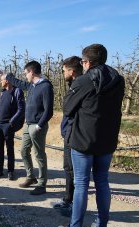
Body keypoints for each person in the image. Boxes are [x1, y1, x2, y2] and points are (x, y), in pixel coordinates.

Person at [57, 44, 125, 227]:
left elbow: (68, 108)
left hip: (83, 140)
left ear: (86, 62)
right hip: (107, 140)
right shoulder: (118, 80)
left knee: (82, 184)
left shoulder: (85, 80)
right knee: (103, 182)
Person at [0, 61, 54, 195]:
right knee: (23, 151)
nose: (25, 76)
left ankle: (42, 183)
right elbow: (18, 82)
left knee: (39, 154)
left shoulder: (45, 87)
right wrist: (3, 74)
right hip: (28, 125)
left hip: (37, 126)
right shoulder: (32, 86)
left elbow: (49, 111)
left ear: (32, 72)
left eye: (26, 73)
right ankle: (30, 177)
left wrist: (39, 125)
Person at [51, 56, 83, 216]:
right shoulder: (74, 85)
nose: (62, 73)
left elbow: (69, 110)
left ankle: (72, 205)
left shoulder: (80, 87)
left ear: (71, 71)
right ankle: (68, 200)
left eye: (64, 70)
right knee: (68, 168)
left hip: (75, 135)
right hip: (69, 133)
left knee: (73, 170)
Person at [0, 74, 25, 180]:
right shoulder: (2, 92)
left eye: (2, 80)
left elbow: (21, 109)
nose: (0, 81)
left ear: (7, 81)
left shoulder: (17, 91)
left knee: (10, 149)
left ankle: (10, 171)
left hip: (8, 125)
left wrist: (11, 122)